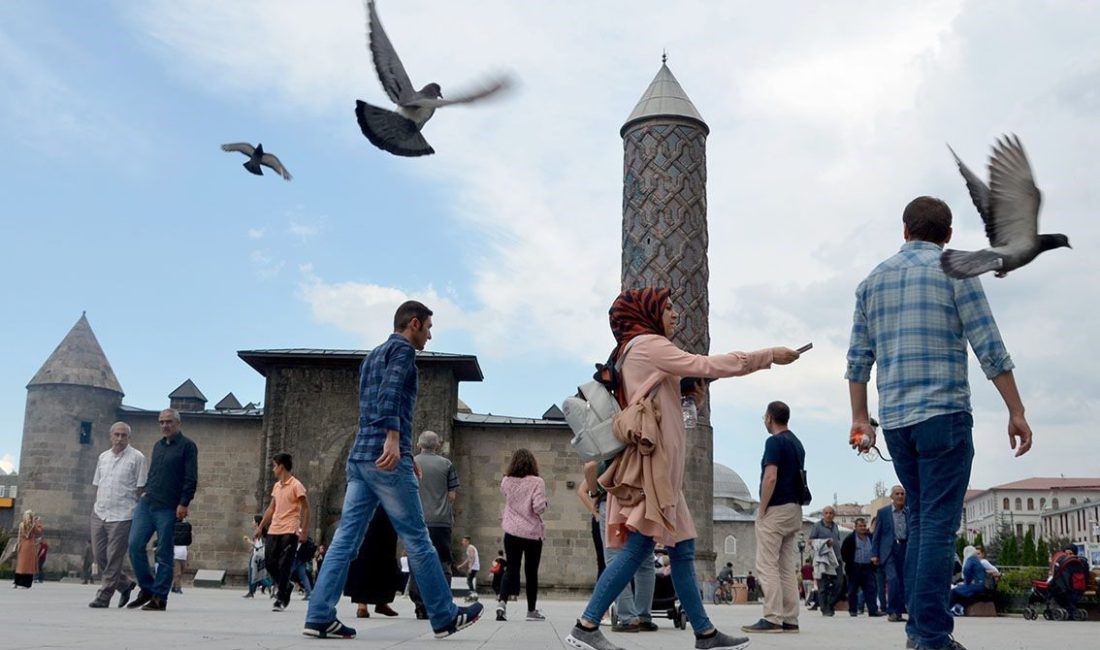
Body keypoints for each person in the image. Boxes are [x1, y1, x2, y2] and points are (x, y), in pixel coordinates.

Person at [566, 287, 800, 650]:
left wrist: (685, 389)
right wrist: (767, 355)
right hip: (655, 473)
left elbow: (679, 381)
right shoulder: (647, 345)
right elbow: (706, 364)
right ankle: (586, 624)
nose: (675, 314)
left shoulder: (636, 350)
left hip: (665, 474)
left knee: (684, 549)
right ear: (647, 312)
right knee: (638, 548)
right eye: (669, 308)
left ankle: (705, 633)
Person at [847, 196, 1033, 650]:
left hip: (896, 423)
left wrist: (859, 419)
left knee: (919, 519)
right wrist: (1017, 410)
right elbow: (988, 343)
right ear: (948, 235)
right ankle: (930, 635)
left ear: (905, 230)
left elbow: (857, 361)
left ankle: (919, 631)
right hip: (944, 416)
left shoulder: (872, 281)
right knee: (935, 524)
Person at [303, 300, 482, 640]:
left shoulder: (372, 356)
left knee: (344, 542)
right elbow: (391, 395)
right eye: (428, 328)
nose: (429, 336)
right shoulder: (403, 352)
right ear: (413, 324)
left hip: (360, 459)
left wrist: (404, 450)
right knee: (418, 539)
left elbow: (369, 406)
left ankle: (319, 616)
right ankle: (444, 617)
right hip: (386, 460)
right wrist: (394, 440)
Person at [743, 401, 809, 633]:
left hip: (777, 508)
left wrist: (762, 509)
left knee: (767, 564)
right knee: (786, 566)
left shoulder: (774, 442)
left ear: (770, 418)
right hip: (794, 509)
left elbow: (770, 477)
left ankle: (772, 617)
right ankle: (790, 618)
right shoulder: (797, 443)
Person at [127, 408, 198, 612]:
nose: (165, 425)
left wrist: (184, 503)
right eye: (161, 422)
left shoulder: (187, 446)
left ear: (178, 423)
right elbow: (154, 473)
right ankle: (148, 589)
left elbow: (190, 477)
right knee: (134, 545)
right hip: (147, 503)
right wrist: (145, 492)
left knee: (164, 553)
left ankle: (159, 598)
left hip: (168, 507)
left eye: (169, 422)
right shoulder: (158, 446)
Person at [585, 458, 657, 633]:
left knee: (614, 557)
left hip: (614, 500)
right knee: (645, 560)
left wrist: (594, 493)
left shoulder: (613, 442)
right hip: (643, 498)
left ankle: (628, 617)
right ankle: (644, 616)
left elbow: (590, 466)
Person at [88, 421, 145, 608]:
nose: (120, 439)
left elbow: (141, 487)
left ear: (129, 437)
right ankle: (125, 584)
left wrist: (133, 509)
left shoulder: (137, 458)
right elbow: (98, 483)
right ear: (110, 436)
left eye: (124, 435)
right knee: (99, 555)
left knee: (114, 557)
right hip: (100, 512)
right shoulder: (103, 457)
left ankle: (103, 596)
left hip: (123, 514)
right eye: (117, 435)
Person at [409, 429, 460, 619]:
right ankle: (442, 603)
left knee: (417, 562)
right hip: (441, 522)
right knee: (443, 562)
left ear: (418, 445)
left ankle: (420, 605)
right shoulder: (447, 464)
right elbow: (452, 495)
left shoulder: (411, 463)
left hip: (417, 521)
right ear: (437, 445)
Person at [496, 448, 548, 622]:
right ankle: (531, 611)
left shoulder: (506, 481)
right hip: (532, 533)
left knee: (511, 568)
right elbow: (538, 507)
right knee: (531, 571)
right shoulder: (537, 482)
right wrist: (546, 503)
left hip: (511, 531)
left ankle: (502, 603)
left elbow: (508, 497)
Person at [256, 452, 310, 613]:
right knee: (270, 563)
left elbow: (306, 509)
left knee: (284, 564)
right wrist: (261, 527)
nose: (273, 469)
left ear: (281, 466)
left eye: (274, 465)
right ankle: (286, 585)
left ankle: (280, 598)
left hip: (290, 529)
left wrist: (304, 530)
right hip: (274, 529)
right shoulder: (277, 486)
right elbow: (271, 508)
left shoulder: (296, 485)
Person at [344, 508, 401, 618]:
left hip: (384, 513)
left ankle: (381, 601)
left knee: (384, 557)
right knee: (365, 556)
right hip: (369, 512)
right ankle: (362, 605)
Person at [871, 485, 908, 622]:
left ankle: (898, 612)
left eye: (902, 493)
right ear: (892, 496)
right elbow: (877, 534)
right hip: (888, 550)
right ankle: (891, 611)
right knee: (892, 579)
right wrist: (874, 554)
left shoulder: (908, 512)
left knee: (902, 581)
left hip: (904, 549)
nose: (900, 496)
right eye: (897, 493)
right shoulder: (884, 512)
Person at [841, 518, 880, 617]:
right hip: (854, 567)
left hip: (868, 567)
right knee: (852, 590)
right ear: (856, 527)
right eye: (860, 526)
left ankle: (873, 610)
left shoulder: (871, 538)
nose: (863, 528)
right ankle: (853, 610)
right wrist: (850, 563)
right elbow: (844, 552)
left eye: (864, 526)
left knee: (871, 589)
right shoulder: (850, 539)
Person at [809, 505, 842, 616]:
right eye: (826, 513)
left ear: (834, 515)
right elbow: (811, 541)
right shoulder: (817, 526)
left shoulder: (836, 526)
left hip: (836, 559)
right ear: (823, 515)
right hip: (823, 560)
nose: (828, 515)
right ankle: (825, 609)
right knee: (823, 586)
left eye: (831, 513)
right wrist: (824, 543)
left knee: (839, 584)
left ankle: (830, 604)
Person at [948, 546, 987, 616]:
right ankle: (958, 608)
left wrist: (967, 581)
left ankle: (947, 609)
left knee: (954, 592)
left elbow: (966, 569)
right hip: (980, 585)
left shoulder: (970, 559)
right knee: (964, 593)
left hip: (975, 585)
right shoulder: (976, 560)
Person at [13, 511, 43, 588]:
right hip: (24, 545)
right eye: (26, 516)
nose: (27, 518)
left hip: (29, 546)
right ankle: (17, 582)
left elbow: (38, 532)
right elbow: (22, 535)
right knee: (21, 566)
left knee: (27, 565)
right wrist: (18, 545)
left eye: (28, 516)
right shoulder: (23, 525)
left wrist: (37, 525)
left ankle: (24, 584)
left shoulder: (31, 525)